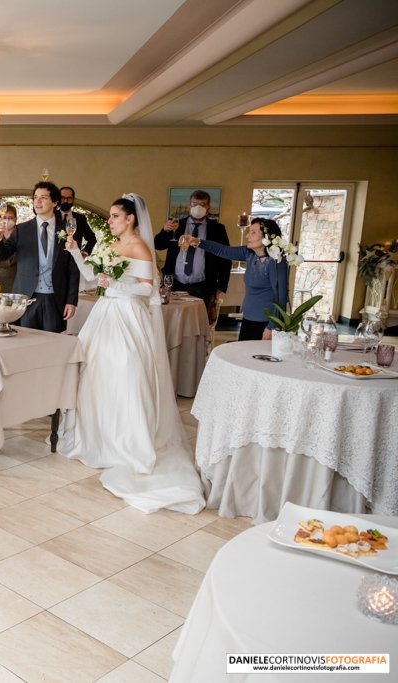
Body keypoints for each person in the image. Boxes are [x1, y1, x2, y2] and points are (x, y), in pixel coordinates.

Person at [59, 193, 205, 514]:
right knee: (94, 375)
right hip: (105, 315)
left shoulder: (139, 246)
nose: (109, 221)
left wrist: (116, 286)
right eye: (110, 216)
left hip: (127, 316)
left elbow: (146, 288)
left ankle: (127, 441)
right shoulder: (110, 246)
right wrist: (76, 255)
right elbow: (91, 278)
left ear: (130, 219)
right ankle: (97, 436)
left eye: (114, 216)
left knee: (125, 375)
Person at [180, 217, 289, 341]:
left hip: (265, 324)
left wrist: (271, 327)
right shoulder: (249, 254)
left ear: (266, 237)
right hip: (248, 319)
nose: (248, 236)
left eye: (253, 232)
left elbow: (281, 298)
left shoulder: (276, 263)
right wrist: (198, 242)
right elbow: (224, 250)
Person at [0, 181, 79, 332]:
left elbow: (73, 268)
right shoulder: (21, 230)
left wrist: (72, 301)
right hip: (26, 299)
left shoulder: (67, 231)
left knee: (52, 344)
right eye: (35, 197)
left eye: (43, 197)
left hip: (55, 298)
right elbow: (1, 256)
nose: (37, 201)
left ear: (55, 202)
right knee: (25, 343)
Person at [153, 189, 230, 320]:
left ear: (208, 207)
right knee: (173, 321)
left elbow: (225, 258)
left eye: (202, 205)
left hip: (203, 286)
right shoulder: (176, 224)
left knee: (199, 323)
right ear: (189, 205)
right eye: (194, 204)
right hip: (174, 284)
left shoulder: (218, 229)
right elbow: (158, 245)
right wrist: (165, 231)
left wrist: (221, 286)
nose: (197, 208)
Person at [57, 186, 97, 256]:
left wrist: (84, 253)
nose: (66, 201)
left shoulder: (80, 218)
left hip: (73, 262)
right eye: (62, 198)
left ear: (73, 199)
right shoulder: (51, 216)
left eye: (69, 198)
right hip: (54, 263)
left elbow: (92, 238)